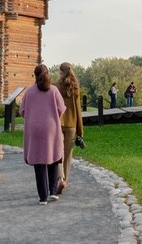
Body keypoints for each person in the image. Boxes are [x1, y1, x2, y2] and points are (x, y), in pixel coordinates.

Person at [20, 63, 65, 205]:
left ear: (35, 75)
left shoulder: (29, 92)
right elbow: (61, 109)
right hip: (51, 127)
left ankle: (43, 197)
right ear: (47, 74)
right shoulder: (53, 90)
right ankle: (53, 192)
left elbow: (22, 111)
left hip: (34, 128)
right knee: (53, 157)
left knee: (39, 163)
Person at [55, 62, 84, 195]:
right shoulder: (75, 88)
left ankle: (59, 178)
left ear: (61, 72)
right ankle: (65, 179)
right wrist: (80, 131)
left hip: (58, 123)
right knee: (68, 155)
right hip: (72, 124)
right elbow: (78, 111)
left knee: (58, 153)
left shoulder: (56, 87)